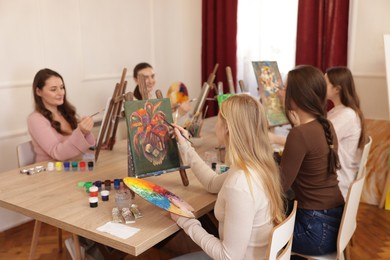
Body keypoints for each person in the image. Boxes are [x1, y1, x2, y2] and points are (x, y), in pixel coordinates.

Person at [171, 94, 285, 260]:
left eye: (218, 120)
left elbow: (229, 257)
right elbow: (212, 183)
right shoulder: (256, 165)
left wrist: (186, 221)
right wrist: (186, 147)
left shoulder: (240, 184)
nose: (215, 125)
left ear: (227, 129)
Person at [269, 65, 345, 256]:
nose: (281, 92)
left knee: (257, 233)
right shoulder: (326, 125)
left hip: (315, 231)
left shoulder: (300, 134)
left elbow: (280, 186)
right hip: (334, 224)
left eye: (285, 88)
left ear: (295, 97)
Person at [27, 68, 96, 162]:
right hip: (51, 172)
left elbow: (85, 147)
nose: (61, 93)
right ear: (39, 92)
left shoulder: (66, 113)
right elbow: (57, 153)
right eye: (53, 89)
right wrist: (81, 132)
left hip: (72, 165)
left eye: (62, 87)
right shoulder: (35, 119)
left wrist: (87, 132)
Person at [325, 66, 366, 199]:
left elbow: (318, 139)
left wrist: (276, 139)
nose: (321, 86)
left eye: (325, 84)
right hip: (336, 178)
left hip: (338, 184)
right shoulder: (337, 111)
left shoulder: (346, 115)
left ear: (337, 89)